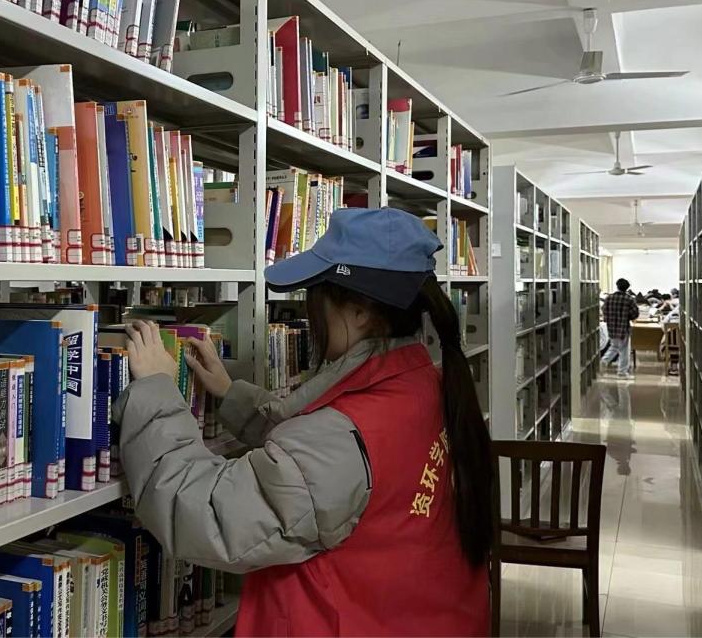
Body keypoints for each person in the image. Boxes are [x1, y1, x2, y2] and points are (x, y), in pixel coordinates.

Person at [114, 208, 493, 637]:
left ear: (359, 312)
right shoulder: (426, 384)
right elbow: (317, 471)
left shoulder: (343, 437)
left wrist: (157, 390)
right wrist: (231, 395)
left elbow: (203, 513)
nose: (312, 312)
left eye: (316, 295)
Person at [601, 278, 640, 377]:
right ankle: (622, 372)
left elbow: (604, 310)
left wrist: (608, 318)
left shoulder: (609, 298)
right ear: (627, 288)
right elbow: (635, 314)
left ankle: (604, 361)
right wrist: (628, 315)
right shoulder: (629, 299)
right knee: (624, 350)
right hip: (623, 327)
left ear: (617, 286)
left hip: (611, 327)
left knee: (614, 346)